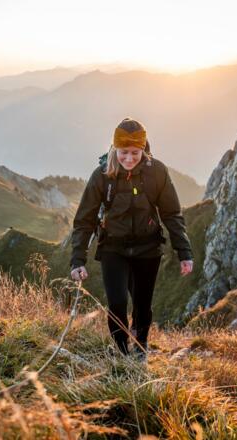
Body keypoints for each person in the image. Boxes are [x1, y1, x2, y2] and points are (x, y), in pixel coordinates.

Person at [70, 117, 194, 361]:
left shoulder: (156, 172)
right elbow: (84, 219)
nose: (128, 159)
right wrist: (77, 259)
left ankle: (140, 346)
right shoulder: (102, 175)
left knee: (142, 305)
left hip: (148, 249)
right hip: (113, 248)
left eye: (135, 153)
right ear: (115, 148)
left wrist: (184, 252)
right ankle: (121, 354)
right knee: (117, 304)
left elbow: (171, 214)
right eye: (123, 152)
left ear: (143, 148)